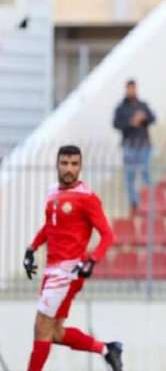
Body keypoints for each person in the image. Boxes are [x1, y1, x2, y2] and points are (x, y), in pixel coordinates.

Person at [23, 145, 122, 371]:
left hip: (68, 270)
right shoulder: (52, 192)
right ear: (57, 164)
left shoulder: (87, 197)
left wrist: (92, 260)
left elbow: (108, 235)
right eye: (65, 163)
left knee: (41, 327)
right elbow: (51, 225)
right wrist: (31, 249)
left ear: (80, 167)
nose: (69, 169)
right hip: (51, 270)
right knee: (53, 331)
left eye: (74, 164)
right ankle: (107, 350)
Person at [113, 80, 155, 212]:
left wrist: (143, 118)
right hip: (129, 146)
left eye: (133, 88)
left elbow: (153, 118)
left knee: (145, 173)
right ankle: (134, 202)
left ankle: (151, 201)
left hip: (144, 145)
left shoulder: (143, 105)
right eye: (129, 88)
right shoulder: (121, 108)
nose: (131, 91)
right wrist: (130, 122)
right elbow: (116, 124)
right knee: (130, 176)